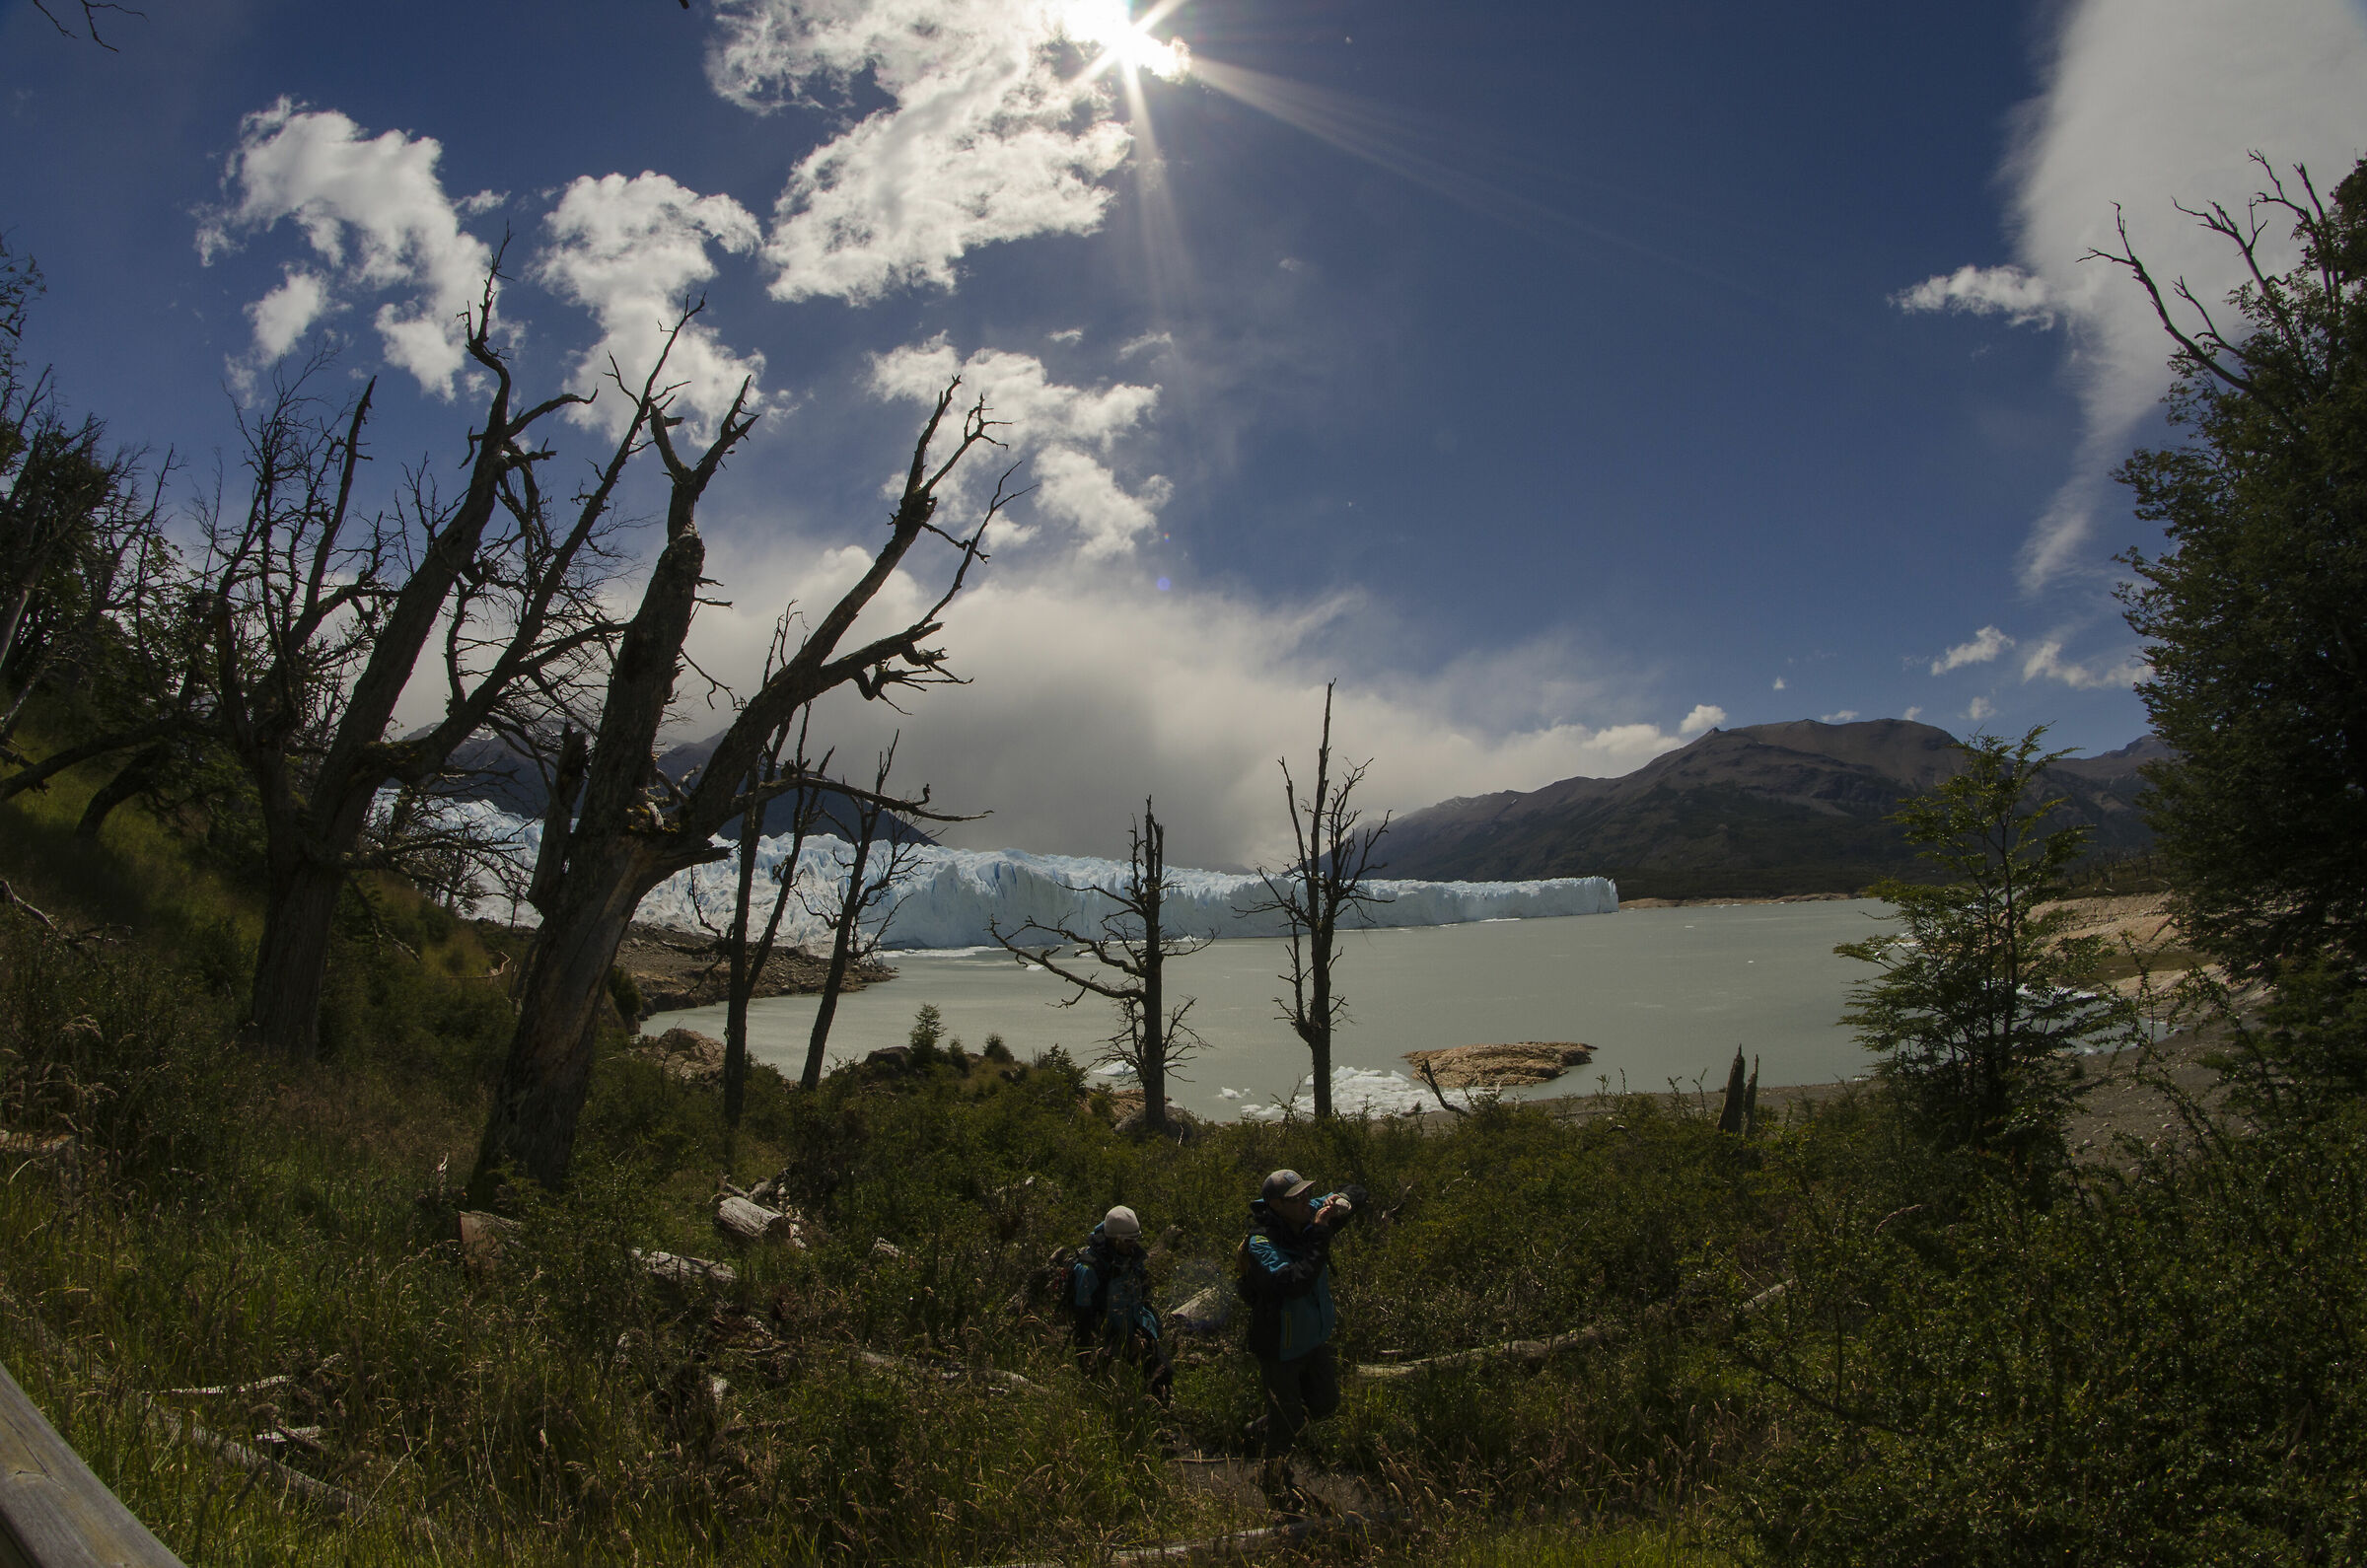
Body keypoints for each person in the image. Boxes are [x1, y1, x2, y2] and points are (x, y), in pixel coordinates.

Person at [1238, 1169, 1359, 1514]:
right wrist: (1321, 1232)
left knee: (1325, 1403)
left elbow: (1353, 1192)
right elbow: (1295, 1282)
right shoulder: (1261, 1243)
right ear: (1276, 1205)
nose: (1307, 1202)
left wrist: (1344, 1201)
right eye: (1298, 1198)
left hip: (1312, 1338)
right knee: (1288, 1420)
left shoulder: (1307, 1213)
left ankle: (1261, 1427)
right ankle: (1274, 1480)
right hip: (1280, 1346)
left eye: (1308, 1195)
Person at [1070, 1204, 1173, 1405]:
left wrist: (1142, 1333)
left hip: (1132, 1329)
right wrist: (1115, 1341)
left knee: (1163, 1373)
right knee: (1098, 1389)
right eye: (1128, 1241)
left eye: (1136, 1239)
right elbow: (1085, 1322)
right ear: (1114, 1238)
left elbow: (1141, 1299)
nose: (1133, 1245)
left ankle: (1159, 1419)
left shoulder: (1131, 1259)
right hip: (1104, 1336)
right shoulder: (1089, 1269)